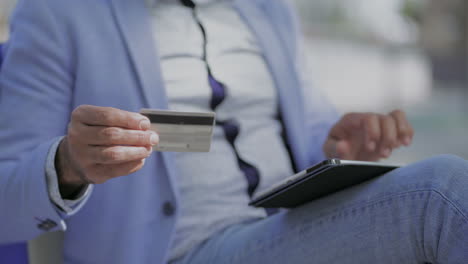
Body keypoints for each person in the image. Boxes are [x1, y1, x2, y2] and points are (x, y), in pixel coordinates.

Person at [0, 0, 467, 263]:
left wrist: (338, 142)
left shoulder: (267, 11)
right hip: (175, 252)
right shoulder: (58, 14)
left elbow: (310, 131)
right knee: (439, 196)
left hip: (291, 228)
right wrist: (68, 165)